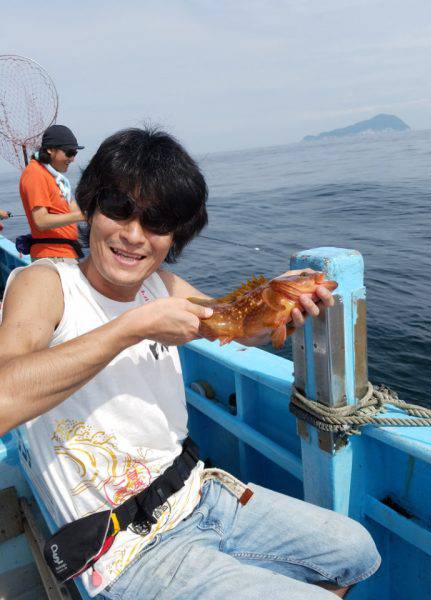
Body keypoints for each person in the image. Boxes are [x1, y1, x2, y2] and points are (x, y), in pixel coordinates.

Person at [0, 127, 380, 599]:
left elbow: (232, 322)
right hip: (124, 547)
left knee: (355, 550)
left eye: (157, 221)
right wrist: (131, 328)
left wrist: (276, 301)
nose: (134, 235)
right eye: (119, 209)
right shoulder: (45, 284)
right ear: (91, 208)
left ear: (176, 233)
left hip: (199, 494)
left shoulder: (159, 285)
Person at [18, 124, 85, 262]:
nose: (73, 159)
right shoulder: (35, 174)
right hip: (53, 256)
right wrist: (83, 215)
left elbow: (75, 211)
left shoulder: (57, 179)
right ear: (50, 149)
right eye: (69, 153)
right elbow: (41, 221)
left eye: (75, 153)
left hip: (67, 253)